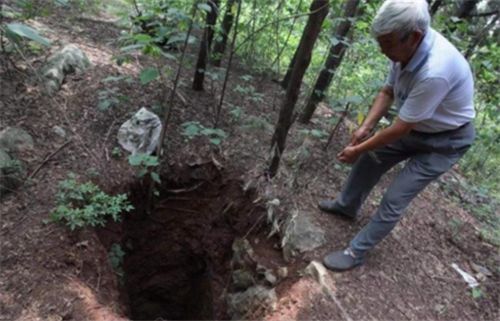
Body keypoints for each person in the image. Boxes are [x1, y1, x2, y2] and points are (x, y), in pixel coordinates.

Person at [318, 0, 475, 271]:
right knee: (372, 158)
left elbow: (401, 128)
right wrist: (365, 128)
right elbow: (388, 91)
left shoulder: (435, 71)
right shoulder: (405, 49)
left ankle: (356, 252)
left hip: (446, 141)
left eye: (387, 43)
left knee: (396, 196)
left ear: (414, 37)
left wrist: (357, 149)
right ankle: (346, 206)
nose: (382, 50)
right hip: (418, 125)